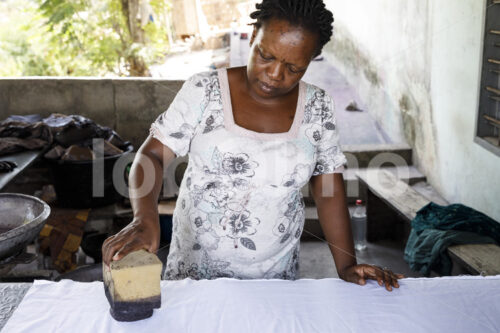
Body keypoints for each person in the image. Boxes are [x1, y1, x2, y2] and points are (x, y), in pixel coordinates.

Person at [102, 0, 404, 291]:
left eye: (293, 68)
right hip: (195, 275)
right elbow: (152, 155)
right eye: (266, 56)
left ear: (311, 61)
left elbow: (327, 189)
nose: (274, 75)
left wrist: (346, 265)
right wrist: (144, 217)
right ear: (252, 36)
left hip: (273, 278)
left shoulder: (318, 106)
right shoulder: (204, 91)